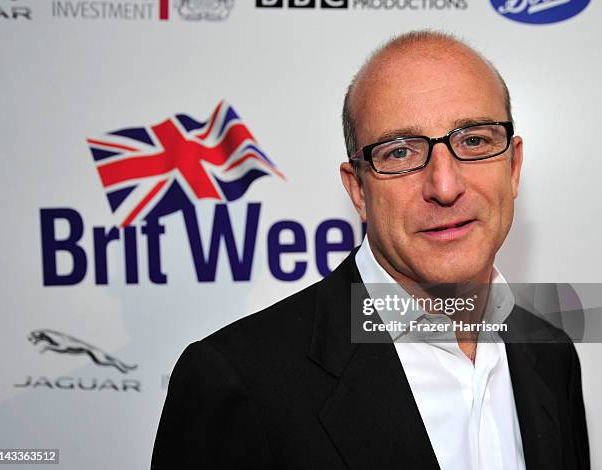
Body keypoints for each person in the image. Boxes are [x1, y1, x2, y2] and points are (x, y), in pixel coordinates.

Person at [151, 30, 589, 470]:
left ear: (513, 167)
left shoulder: (550, 353)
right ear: (358, 189)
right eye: (399, 152)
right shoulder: (236, 382)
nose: (444, 186)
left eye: (474, 140)